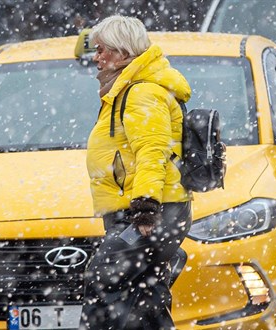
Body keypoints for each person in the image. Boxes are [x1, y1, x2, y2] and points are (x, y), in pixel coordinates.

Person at [81, 15, 192, 330]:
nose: (97, 57)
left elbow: (152, 150)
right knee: (146, 299)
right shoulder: (126, 89)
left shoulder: (142, 92)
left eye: (102, 50)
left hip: (149, 212)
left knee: (104, 278)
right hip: (145, 210)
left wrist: (145, 208)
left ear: (123, 52)